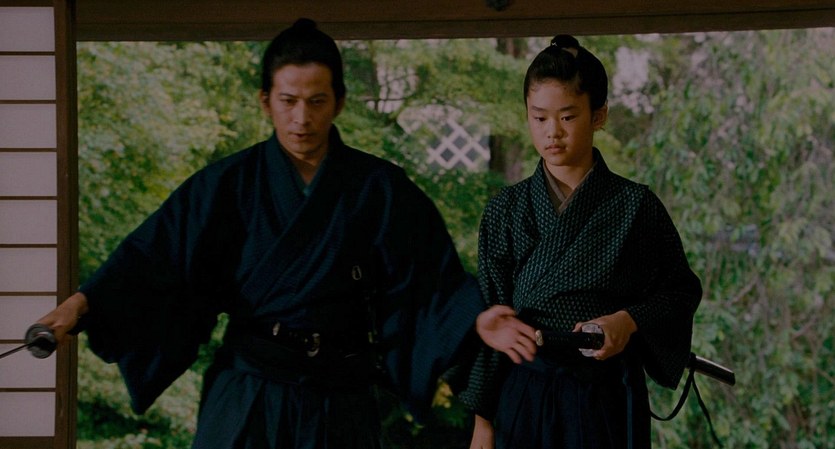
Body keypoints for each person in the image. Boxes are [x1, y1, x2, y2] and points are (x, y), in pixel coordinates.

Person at [37, 18, 486, 449]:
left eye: (317, 101)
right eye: (288, 101)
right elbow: (156, 255)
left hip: (340, 396)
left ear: (339, 102)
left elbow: (431, 282)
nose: (301, 118)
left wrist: (476, 318)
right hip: (248, 390)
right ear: (265, 101)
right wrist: (82, 304)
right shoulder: (227, 184)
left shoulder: (379, 188)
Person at [457, 35, 703, 449]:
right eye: (539, 118)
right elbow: (492, 312)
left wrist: (627, 320)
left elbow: (679, 293)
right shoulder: (505, 210)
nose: (552, 132)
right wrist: (483, 422)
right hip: (525, 392)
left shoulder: (635, 206)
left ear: (598, 115)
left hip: (604, 395)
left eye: (568, 117)